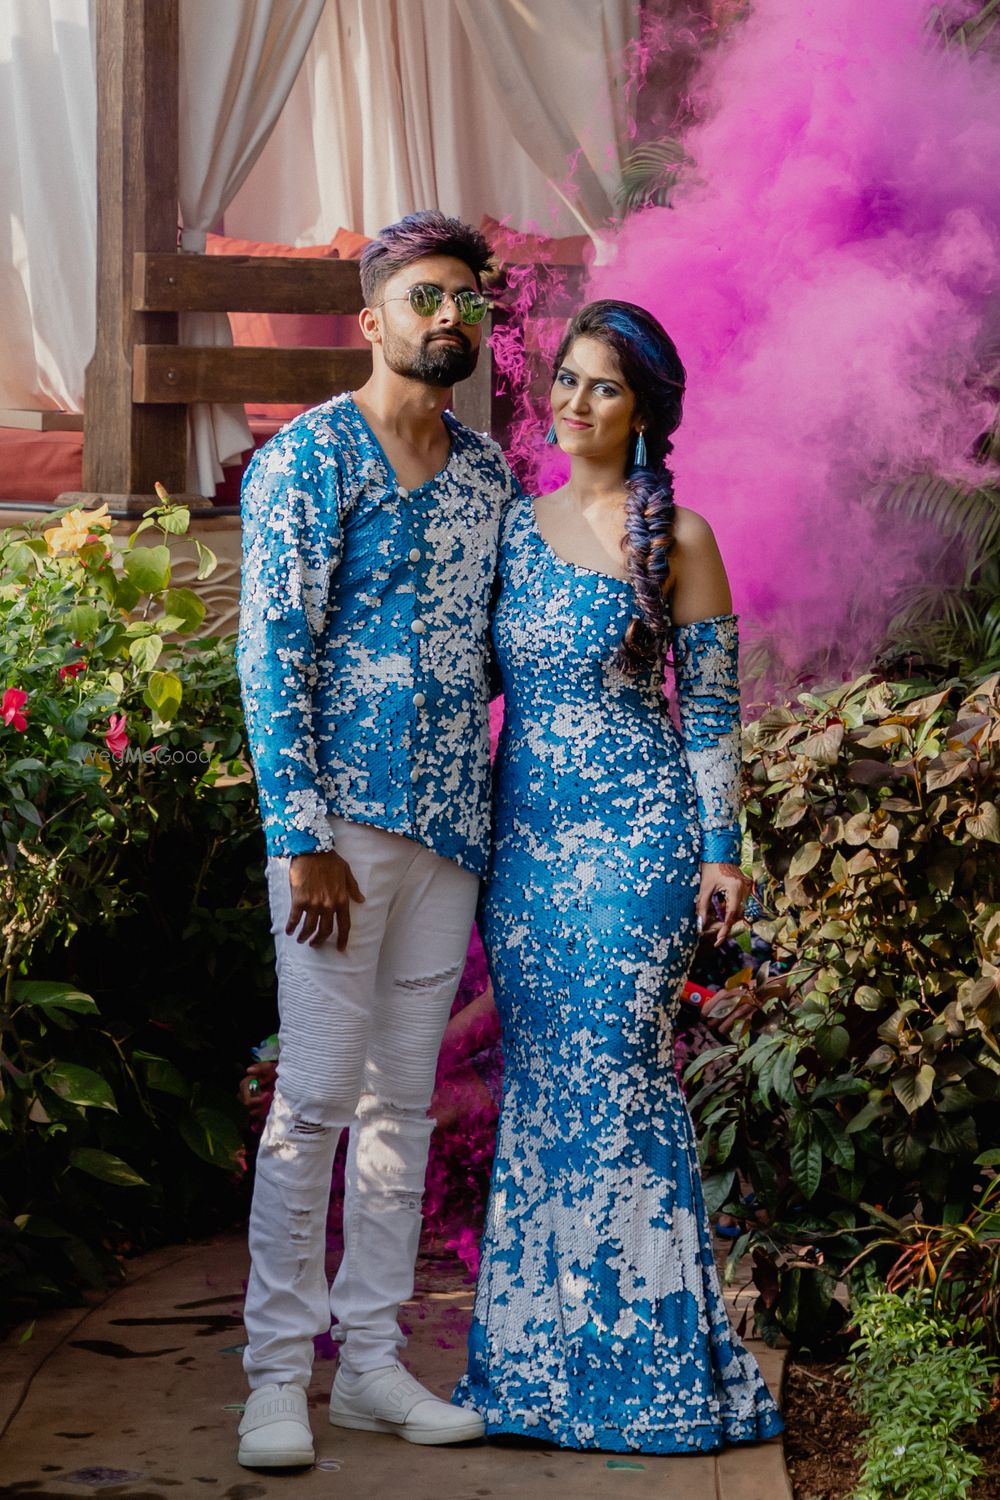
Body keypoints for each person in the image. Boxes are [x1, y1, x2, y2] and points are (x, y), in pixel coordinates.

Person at [452, 300, 784, 1452]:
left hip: (637, 849)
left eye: (604, 387)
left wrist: (722, 849)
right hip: (525, 856)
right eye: (569, 380)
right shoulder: (509, 526)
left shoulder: (681, 536)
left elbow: (711, 713)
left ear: (643, 411)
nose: (575, 403)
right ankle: (536, 1378)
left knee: (620, 1083)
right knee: (542, 1096)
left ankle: (646, 1379)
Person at [234, 211, 520, 1469]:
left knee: (402, 1105)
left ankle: (373, 1364)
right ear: (372, 318)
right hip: (337, 836)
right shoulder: (304, 462)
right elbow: (271, 655)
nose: (447, 317)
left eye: (464, 298)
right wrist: (299, 834)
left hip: (453, 835)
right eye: (423, 298)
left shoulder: (490, 476)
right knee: (311, 1103)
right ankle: (273, 1378)